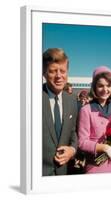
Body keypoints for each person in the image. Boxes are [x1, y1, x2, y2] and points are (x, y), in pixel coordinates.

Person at [42, 48, 78, 176]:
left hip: (62, 173)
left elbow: (73, 132)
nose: (59, 76)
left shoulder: (72, 100)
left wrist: (72, 150)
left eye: (62, 71)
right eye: (52, 71)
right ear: (44, 73)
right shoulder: (31, 97)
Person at [78, 66, 111, 174]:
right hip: (95, 166)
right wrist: (103, 147)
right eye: (100, 86)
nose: (105, 90)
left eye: (108, 86)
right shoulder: (86, 110)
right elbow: (82, 142)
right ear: (94, 87)